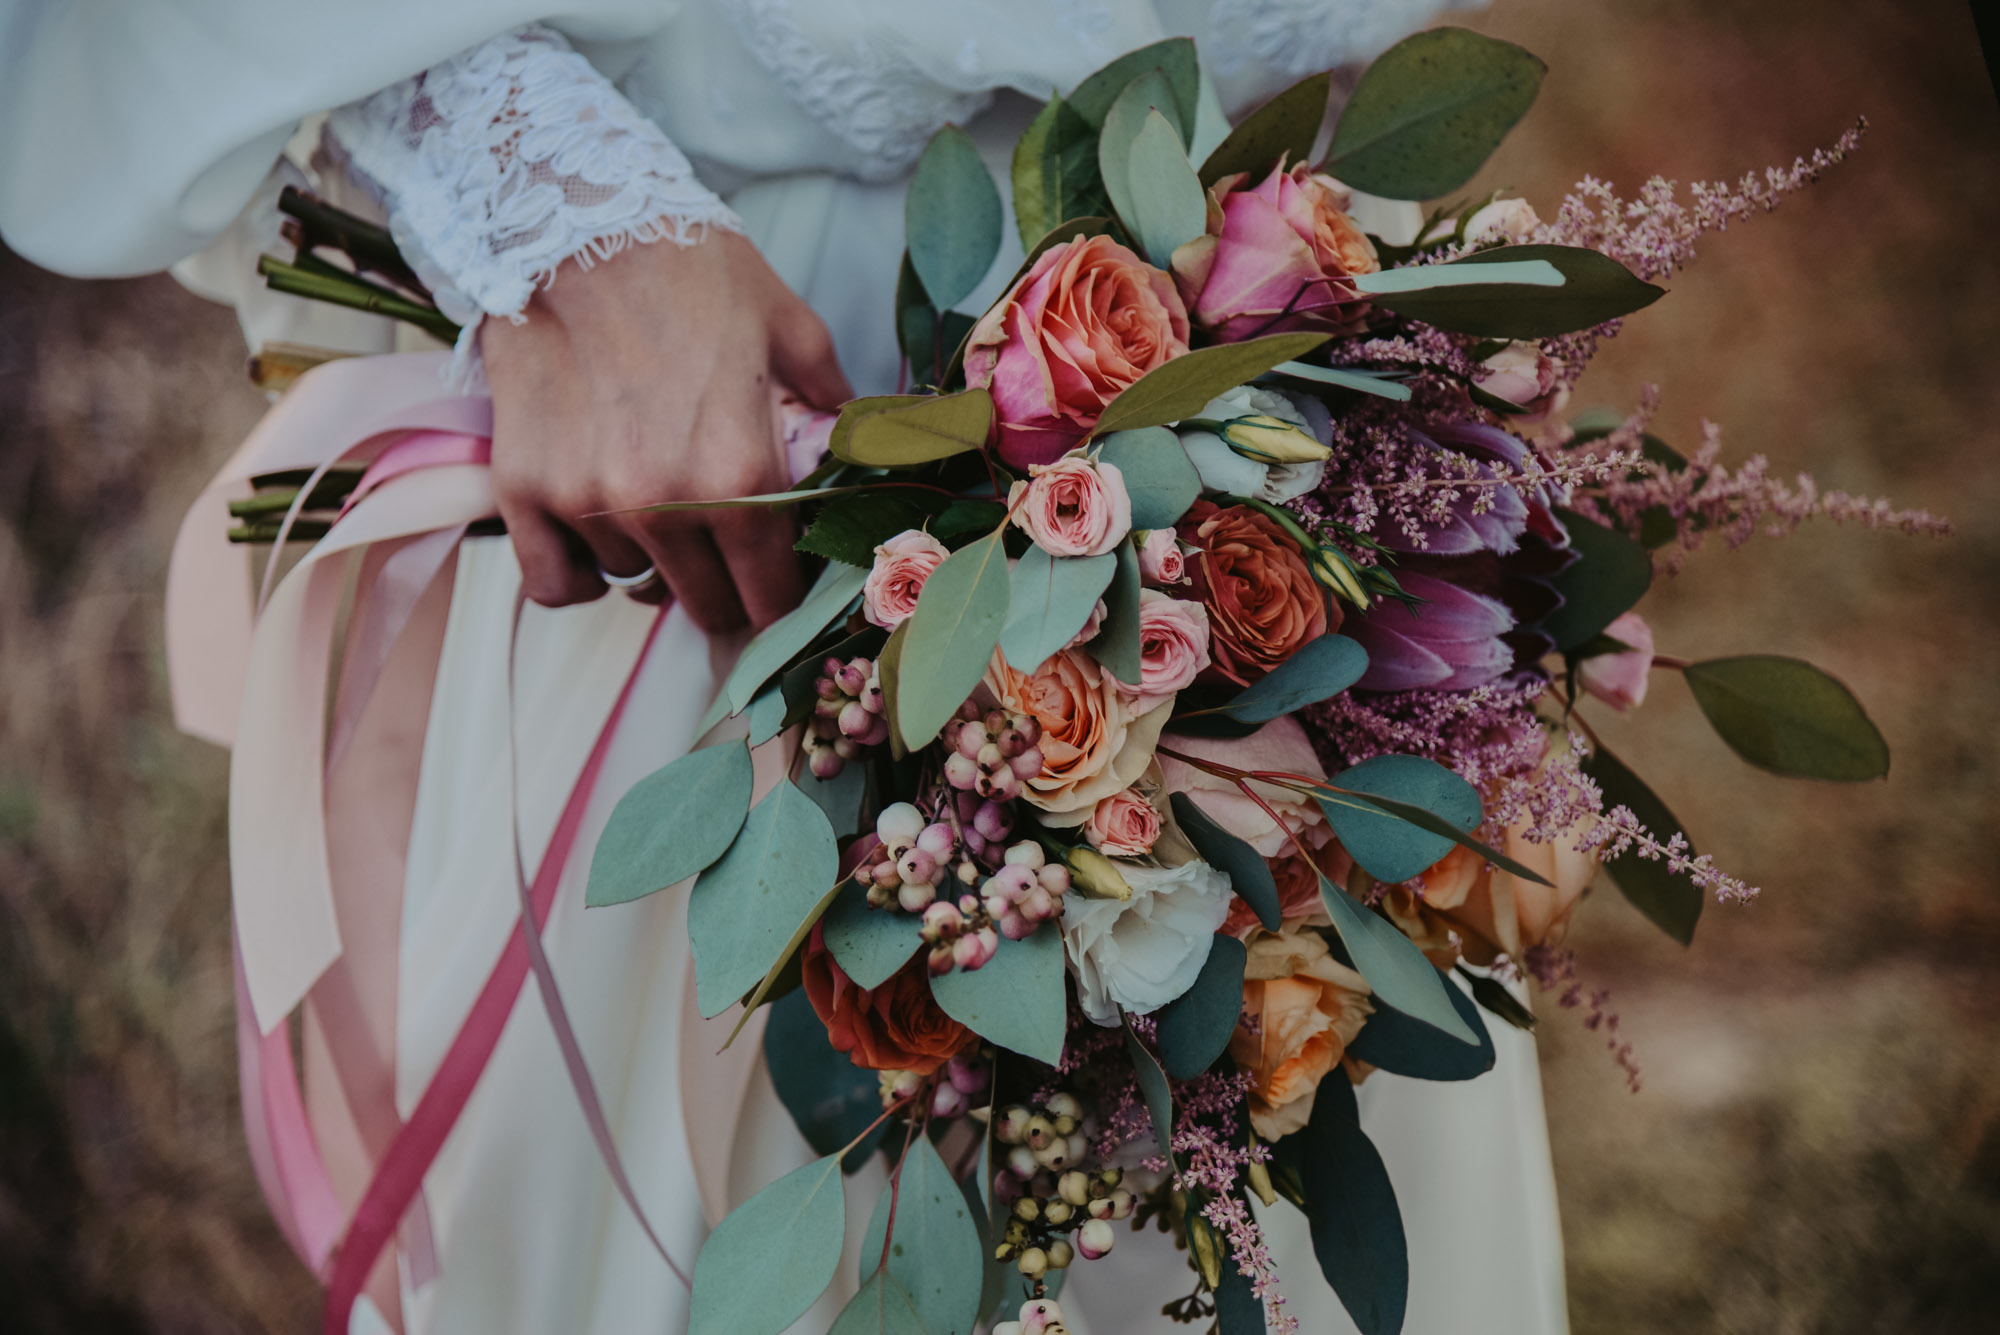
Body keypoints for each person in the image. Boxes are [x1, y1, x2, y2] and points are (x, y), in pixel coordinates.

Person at [0, 3, 1566, 1332]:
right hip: (698, 403)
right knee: (703, 1199)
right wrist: (559, 209)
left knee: (1234, 1195)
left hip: (1258, 407)